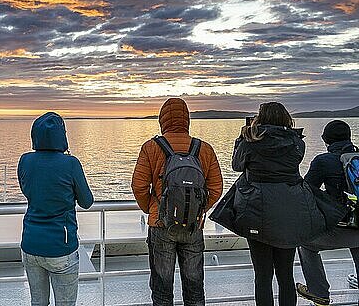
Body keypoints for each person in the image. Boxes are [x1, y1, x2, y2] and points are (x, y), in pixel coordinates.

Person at [230, 102, 342, 306]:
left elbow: (236, 166)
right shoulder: (297, 143)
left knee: (263, 276)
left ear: (260, 119)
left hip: (257, 211)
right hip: (290, 212)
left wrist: (242, 137)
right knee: (285, 274)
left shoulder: (250, 141)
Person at [132, 97, 223, 306]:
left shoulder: (151, 147)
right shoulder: (204, 148)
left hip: (161, 225)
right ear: (187, 120)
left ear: (162, 120)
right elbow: (216, 188)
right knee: (195, 289)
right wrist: (198, 209)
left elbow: (139, 186)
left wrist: (153, 209)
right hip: (193, 226)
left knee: (162, 290)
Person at [18, 112, 94, 306]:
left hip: (31, 244)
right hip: (61, 246)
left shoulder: (25, 161)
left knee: (38, 302)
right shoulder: (70, 163)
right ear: (62, 135)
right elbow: (87, 201)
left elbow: (27, 190)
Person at [296, 120, 359, 306]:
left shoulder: (323, 161)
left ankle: (319, 293)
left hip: (343, 228)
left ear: (325, 139)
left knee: (305, 243)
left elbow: (306, 191)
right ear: (349, 137)